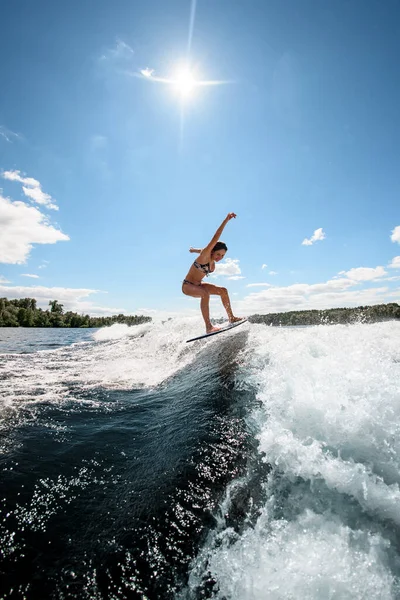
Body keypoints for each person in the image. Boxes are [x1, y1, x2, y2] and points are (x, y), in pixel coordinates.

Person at [182, 212, 243, 333]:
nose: (220, 257)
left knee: (223, 291)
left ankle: (231, 318)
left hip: (198, 285)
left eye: (223, 255)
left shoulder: (210, 259)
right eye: (218, 254)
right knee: (205, 293)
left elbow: (201, 250)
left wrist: (193, 250)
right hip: (188, 286)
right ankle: (209, 327)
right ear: (212, 251)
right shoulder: (205, 256)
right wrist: (226, 220)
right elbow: (215, 237)